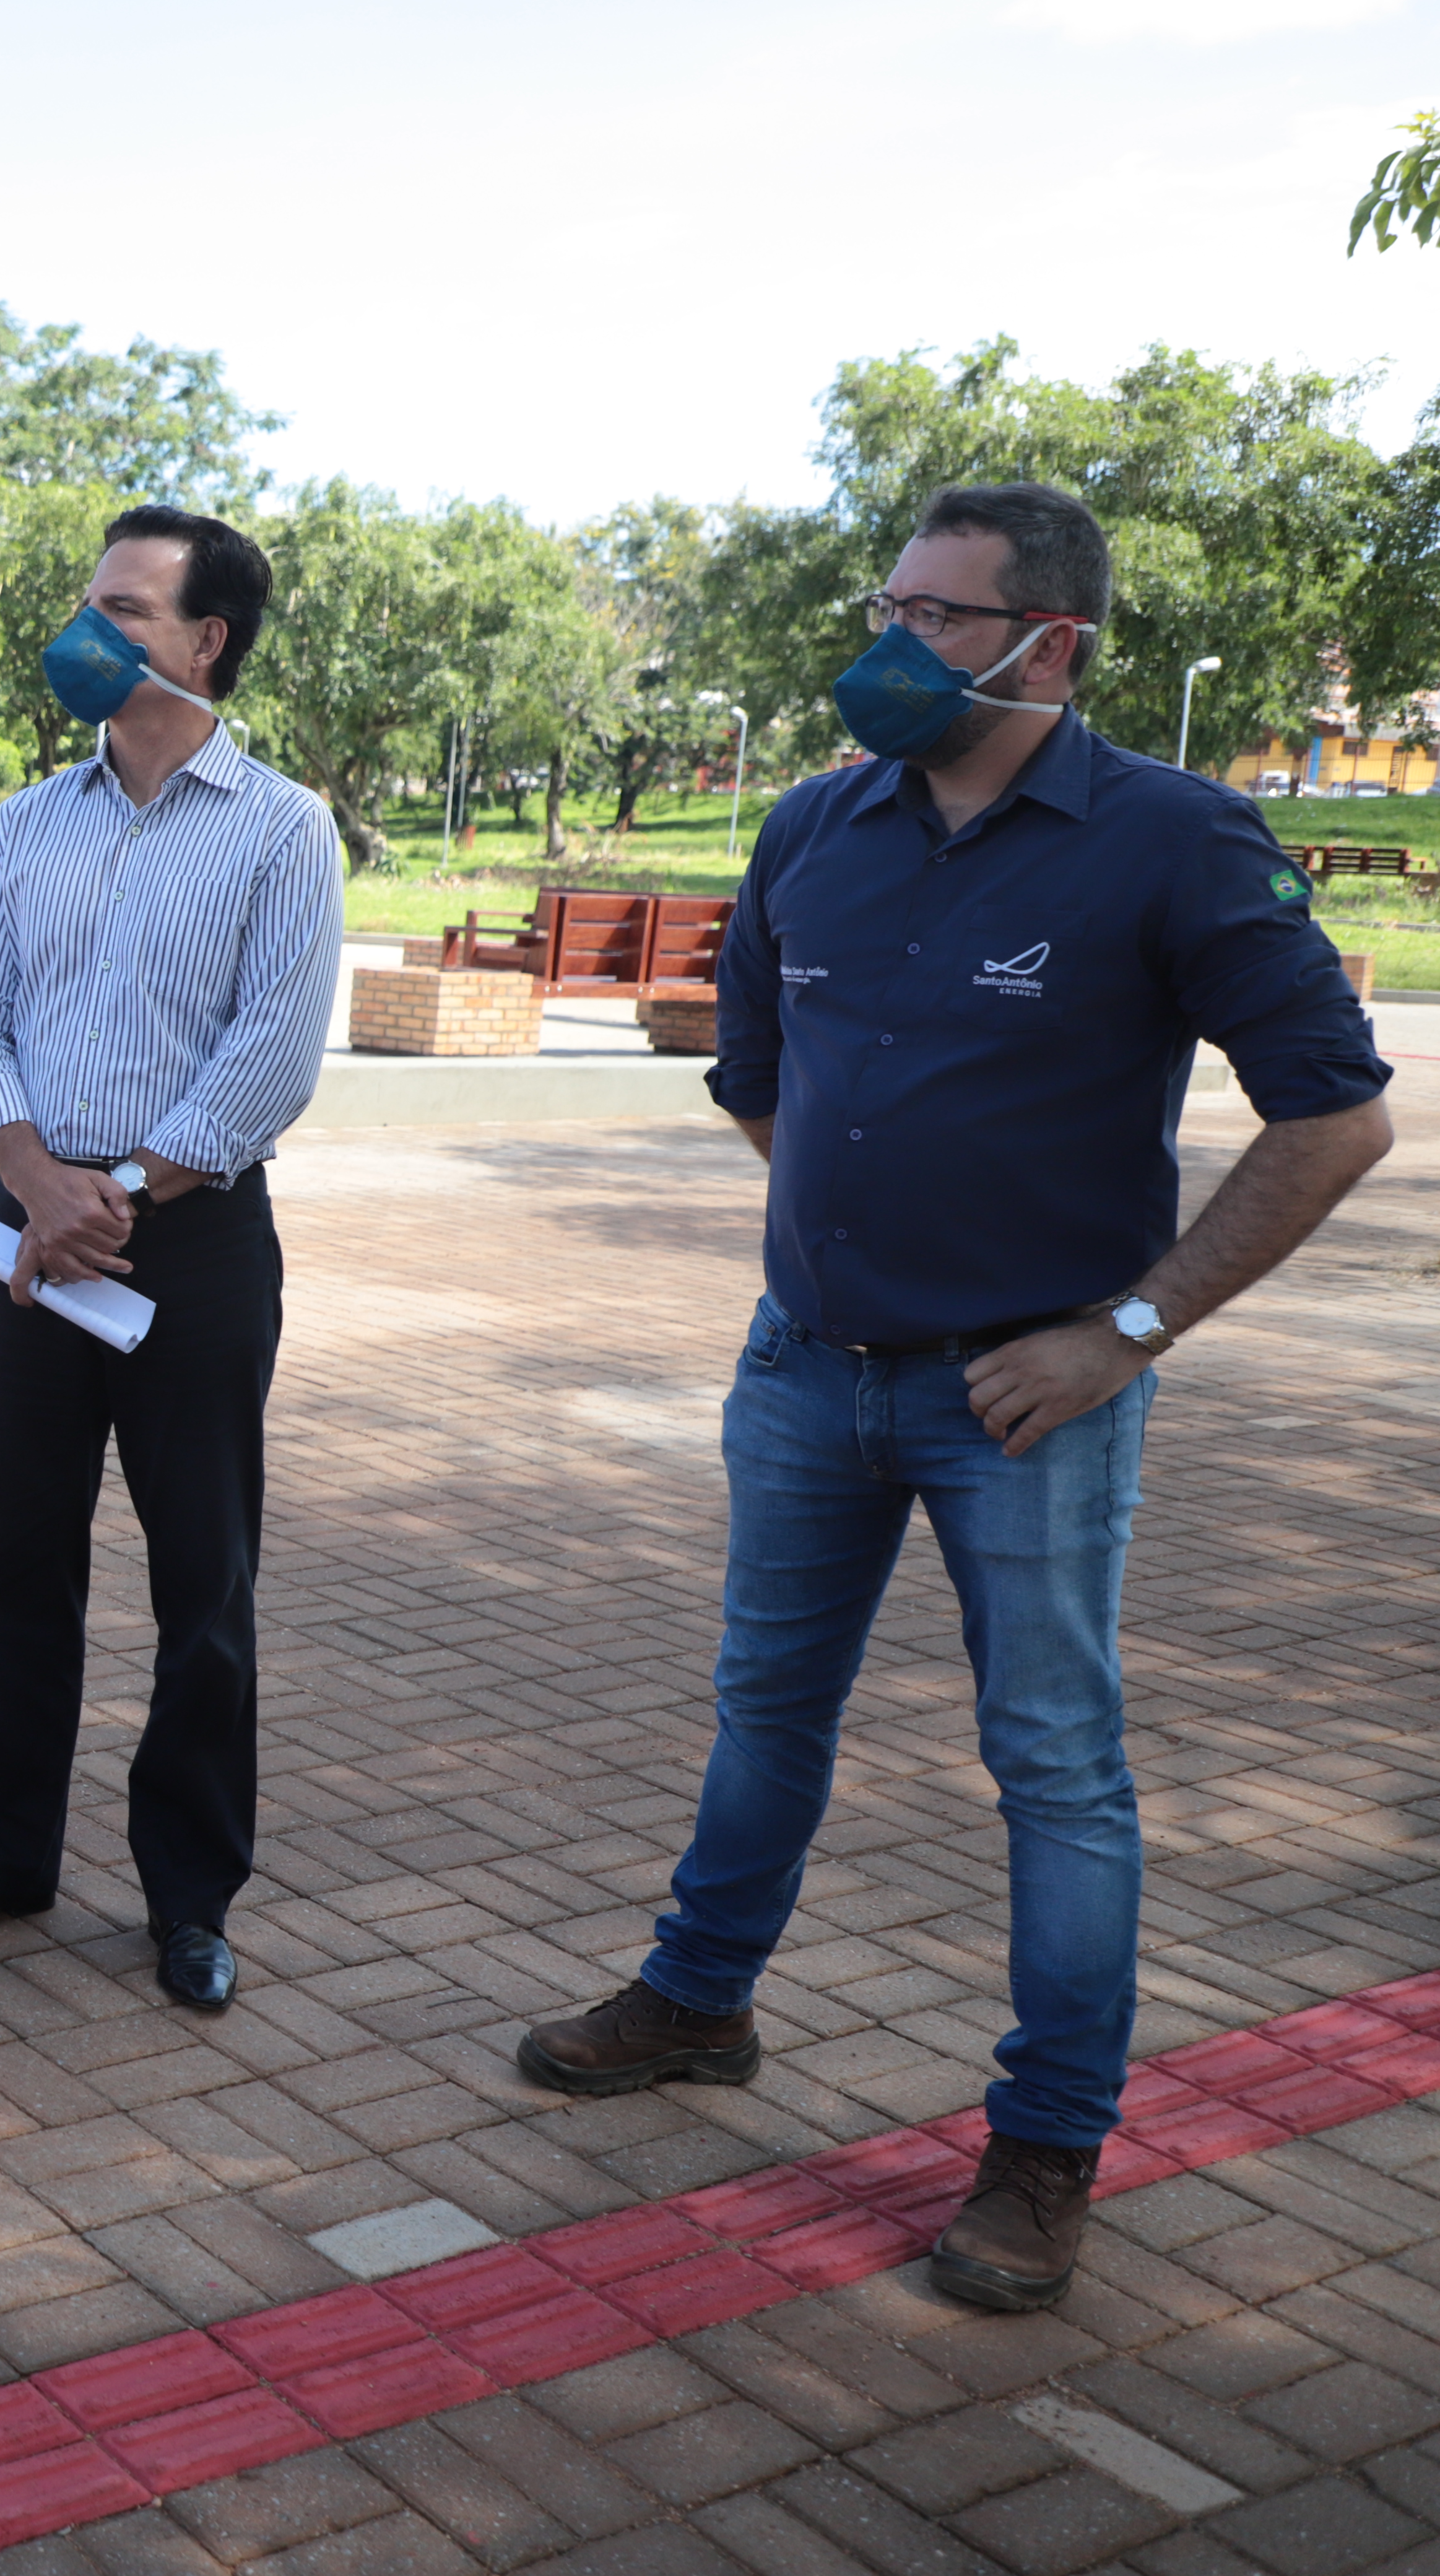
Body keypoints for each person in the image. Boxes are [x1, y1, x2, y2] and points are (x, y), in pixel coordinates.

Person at [518, 482, 1395, 2313]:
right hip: (803, 1375)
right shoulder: (811, 828)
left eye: (934, 615)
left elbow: (1336, 1114)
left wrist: (1128, 1331)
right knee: (766, 1709)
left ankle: (1049, 2144)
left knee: (1056, 1769)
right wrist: (855, 1241)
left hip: (1034, 1402)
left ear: (1048, 647)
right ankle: (699, 1999)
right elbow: (755, 1079)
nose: (887, 643)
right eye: (890, 602)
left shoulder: (1175, 842)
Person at [0, 505, 344, 2011]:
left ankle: (190, 1895)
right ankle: (4, 1852)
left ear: (205, 641)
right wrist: (35, 1179)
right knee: (8, 1564)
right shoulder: (31, 821)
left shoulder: (281, 827)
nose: (89, 631)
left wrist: (124, 1193)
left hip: (194, 1247)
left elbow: (269, 1055)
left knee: (201, 1580)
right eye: (91, 601)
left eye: (126, 609)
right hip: (32, 1241)